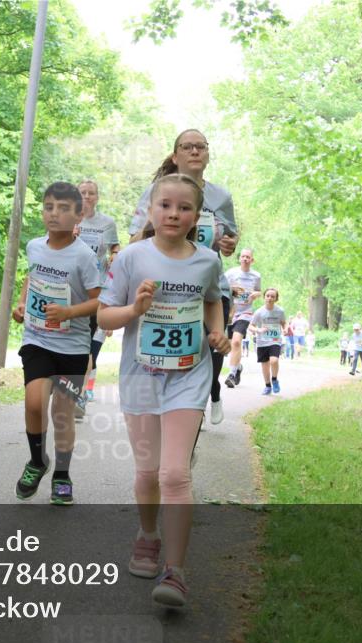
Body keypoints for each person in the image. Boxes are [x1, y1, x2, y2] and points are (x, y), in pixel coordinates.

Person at [98, 173, 230, 608]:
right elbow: (103, 318)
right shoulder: (133, 257)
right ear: (151, 211)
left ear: (197, 217)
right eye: (166, 206)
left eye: (185, 208)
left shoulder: (208, 260)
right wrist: (135, 308)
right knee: (147, 473)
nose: (174, 214)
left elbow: (213, 299)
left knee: (175, 473)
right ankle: (148, 534)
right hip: (141, 375)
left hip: (189, 375)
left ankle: (176, 572)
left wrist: (218, 332)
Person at [129, 129, 237, 425]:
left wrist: (229, 244)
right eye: (187, 147)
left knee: (212, 349)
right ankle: (166, 413)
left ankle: (195, 409)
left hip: (209, 286)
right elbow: (133, 241)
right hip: (165, 285)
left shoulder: (221, 196)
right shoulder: (155, 193)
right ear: (175, 156)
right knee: (169, 354)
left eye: (201, 146)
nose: (194, 151)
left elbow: (229, 238)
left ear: (208, 154)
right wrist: (154, 225)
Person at [10, 182, 101, 505]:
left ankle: (62, 474)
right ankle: (37, 461)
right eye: (49, 207)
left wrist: (69, 312)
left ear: (79, 215)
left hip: (73, 346)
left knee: (62, 415)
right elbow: (31, 278)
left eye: (63, 209)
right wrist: (21, 305)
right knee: (34, 403)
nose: (54, 214)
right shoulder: (35, 246)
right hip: (37, 339)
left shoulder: (84, 257)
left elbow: (98, 302)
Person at [74, 179, 121, 420]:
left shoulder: (107, 223)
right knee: (71, 344)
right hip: (71, 289)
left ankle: (79, 396)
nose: (87, 196)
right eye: (83, 192)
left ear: (97, 197)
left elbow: (115, 248)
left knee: (87, 346)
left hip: (96, 290)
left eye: (92, 193)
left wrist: (115, 256)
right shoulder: (69, 218)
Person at [223, 248, 261, 388]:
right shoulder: (231, 273)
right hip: (230, 312)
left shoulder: (256, 275)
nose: (245, 259)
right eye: (243, 256)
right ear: (239, 258)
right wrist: (232, 290)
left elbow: (258, 290)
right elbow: (222, 287)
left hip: (245, 312)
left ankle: (232, 375)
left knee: (237, 342)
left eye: (248, 257)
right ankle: (238, 367)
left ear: (252, 260)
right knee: (228, 346)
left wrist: (255, 295)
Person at [249, 288, 286, 395]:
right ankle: (267, 386)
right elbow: (251, 326)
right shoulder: (259, 312)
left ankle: (274, 379)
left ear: (276, 299)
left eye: (272, 296)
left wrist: (285, 328)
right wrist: (258, 330)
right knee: (265, 366)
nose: (270, 298)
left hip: (275, 340)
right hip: (262, 342)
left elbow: (284, 323)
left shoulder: (280, 311)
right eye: (268, 296)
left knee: (274, 361)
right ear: (264, 297)